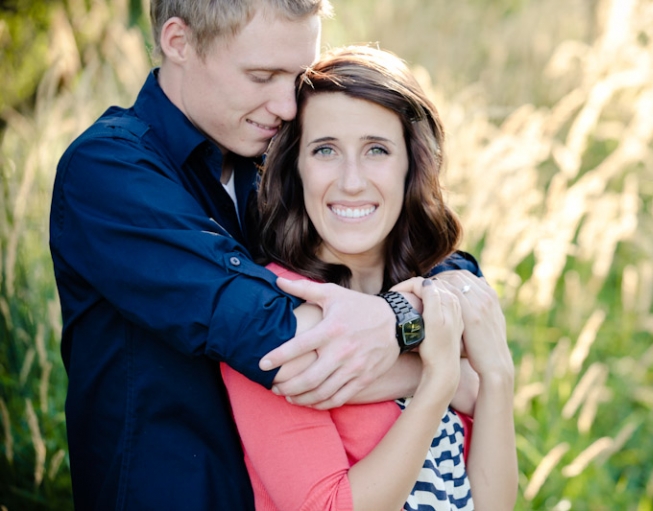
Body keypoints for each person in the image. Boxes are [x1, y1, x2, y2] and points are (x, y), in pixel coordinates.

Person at [49, 1, 482, 509]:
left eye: (297, 79)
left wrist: (419, 307)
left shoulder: (275, 163)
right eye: (262, 76)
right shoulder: (108, 172)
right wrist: (437, 362)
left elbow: (447, 267)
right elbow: (277, 340)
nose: (288, 106)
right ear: (178, 42)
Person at [221, 45, 518, 510]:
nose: (352, 181)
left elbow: (493, 505)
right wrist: (439, 380)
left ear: (410, 165)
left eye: (376, 149)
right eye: (325, 150)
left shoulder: (440, 294)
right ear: (296, 169)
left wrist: (497, 376)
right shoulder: (272, 316)